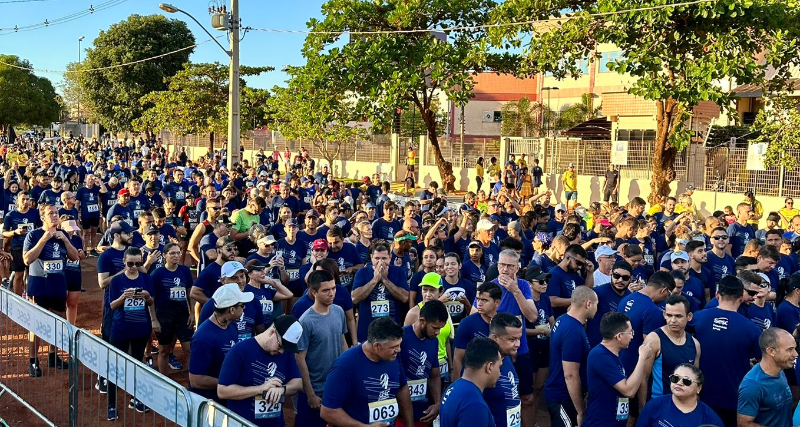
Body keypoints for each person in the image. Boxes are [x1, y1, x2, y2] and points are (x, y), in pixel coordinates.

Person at [692, 275, 762, 427]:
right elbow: (763, 362)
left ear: (717, 295)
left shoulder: (697, 318)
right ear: (740, 298)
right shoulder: (751, 329)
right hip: (733, 398)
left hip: (700, 396)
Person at [321, 317, 415, 427]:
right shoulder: (345, 365)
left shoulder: (392, 357)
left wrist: (410, 424)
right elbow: (327, 411)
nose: (398, 350)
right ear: (376, 346)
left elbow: (402, 388)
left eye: (399, 345)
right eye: (394, 347)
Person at [23, 203, 80, 377]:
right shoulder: (34, 235)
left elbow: (74, 256)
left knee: (57, 322)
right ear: (42, 217)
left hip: (58, 286)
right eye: (51, 213)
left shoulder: (62, 235)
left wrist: (64, 239)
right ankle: (33, 360)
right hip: (39, 287)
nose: (55, 216)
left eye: (56, 213)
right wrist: (44, 239)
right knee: (36, 324)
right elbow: (27, 259)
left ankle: (53, 356)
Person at [217, 315, 304, 427]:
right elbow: (222, 391)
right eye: (280, 346)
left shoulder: (286, 353)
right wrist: (260, 389)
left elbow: (297, 383)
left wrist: (282, 390)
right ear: (272, 332)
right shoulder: (240, 351)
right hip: (243, 423)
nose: (282, 351)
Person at [105, 247, 156, 419]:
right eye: (130, 263)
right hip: (120, 329)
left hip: (141, 329)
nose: (134, 267)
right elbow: (111, 305)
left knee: (137, 363)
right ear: (124, 262)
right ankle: (111, 403)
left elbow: (151, 302)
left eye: (138, 263)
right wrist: (123, 298)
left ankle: (136, 397)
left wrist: (147, 296)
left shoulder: (146, 278)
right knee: (115, 366)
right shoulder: (116, 281)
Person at [295, 270, 349, 427]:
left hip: (336, 387)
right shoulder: (306, 321)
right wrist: (310, 394)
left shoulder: (339, 311)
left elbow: (343, 343)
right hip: (316, 392)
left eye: (333, 288)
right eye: (326, 290)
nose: (331, 293)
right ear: (314, 292)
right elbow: (300, 359)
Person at [584, 312, 653, 427]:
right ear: (619, 336)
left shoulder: (612, 354)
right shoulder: (600, 356)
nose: (632, 336)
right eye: (630, 332)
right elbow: (629, 391)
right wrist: (642, 358)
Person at [189, 283, 254, 403]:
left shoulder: (230, 324)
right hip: (207, 405)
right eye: (242, 305)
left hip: (224, 399)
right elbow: (196, 380)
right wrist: (230, 383)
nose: (244, 308)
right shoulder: (203, 338)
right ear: (232, 309)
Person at [545, 286, 598, 427]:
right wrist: (580, 411)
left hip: (560, 393)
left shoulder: (563, 320)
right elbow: (570, 375)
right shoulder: (572, 331)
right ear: (588, 304)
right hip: (563, 397)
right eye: (596, 304)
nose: (596, 308)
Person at [640, 295, 700, 400]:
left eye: (678, 316)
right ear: (664, 314)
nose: (672, 320)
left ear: (689, 316)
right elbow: (643, 378)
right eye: (669, 315)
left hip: (682, 405)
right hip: (657, 402)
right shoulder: (654, 339)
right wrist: (643, 409)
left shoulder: (695, 344)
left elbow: (694, 380)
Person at [399, 299, 448, 427]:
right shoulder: (401, 338)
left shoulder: (433, 341)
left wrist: (437, 403)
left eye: (440, 329)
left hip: (423, 413)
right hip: (399, 415)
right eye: (435, 328)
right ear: (422, 321)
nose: (437, 332)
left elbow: (434, 375)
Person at [351, 241, 410, 342]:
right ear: (371, 257)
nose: (380, 262)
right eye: (377, 258)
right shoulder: (362, 272)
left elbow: (405, 297)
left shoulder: (398, 272)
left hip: (391, 331)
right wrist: (375, 279)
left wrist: (385, 280)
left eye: (384, 258)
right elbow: (354, 298)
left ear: (390, 258)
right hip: (367, 332)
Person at [150, 242, 194, 374]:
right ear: (164, 255)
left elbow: (189, 292)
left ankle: (193, 382)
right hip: (164, 316)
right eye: (172, 253)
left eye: (178, 252)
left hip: (182, 315)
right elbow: (151, 299)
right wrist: (154, 319)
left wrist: (192, 313)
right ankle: (164, 381)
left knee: (189, 349)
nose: (176, 256)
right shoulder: (157, 274)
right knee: (164, 351)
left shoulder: (185, 271)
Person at [737, 327, 796, 427]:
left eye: (794, 348)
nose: (795, 354)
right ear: (771, 351)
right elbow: (743, 424)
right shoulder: (752, 385)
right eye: (790, 350)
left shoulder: (780, 369)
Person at [439, 337, 502, 427]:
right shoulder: (475, 405)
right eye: (499, 367)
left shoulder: (452, 388)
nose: (500, 373)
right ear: (489, 367)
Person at [635, 364, 723, 427]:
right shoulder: (654, 405)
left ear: (698, 388)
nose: (679, 383)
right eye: (675, 378)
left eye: (686, 381)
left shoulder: (710, 419)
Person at [452, 282, 502, 382]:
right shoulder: (467, 323)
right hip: (472, 379)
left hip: (497, 377)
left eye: (484, 300)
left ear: (497, 302)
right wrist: (456, 384)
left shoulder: (503, 322)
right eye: (478, 299)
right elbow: (458, 357)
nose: (479, 303)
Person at [548, 244, 595, 318]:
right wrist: (577, 301)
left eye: (582, 264)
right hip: (560, 319)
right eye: (578, 263)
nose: (580, 267)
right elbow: (552, 301)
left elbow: (586, 290)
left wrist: (590, 273)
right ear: (568, 258)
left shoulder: (573, 273)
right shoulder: (554, 274)